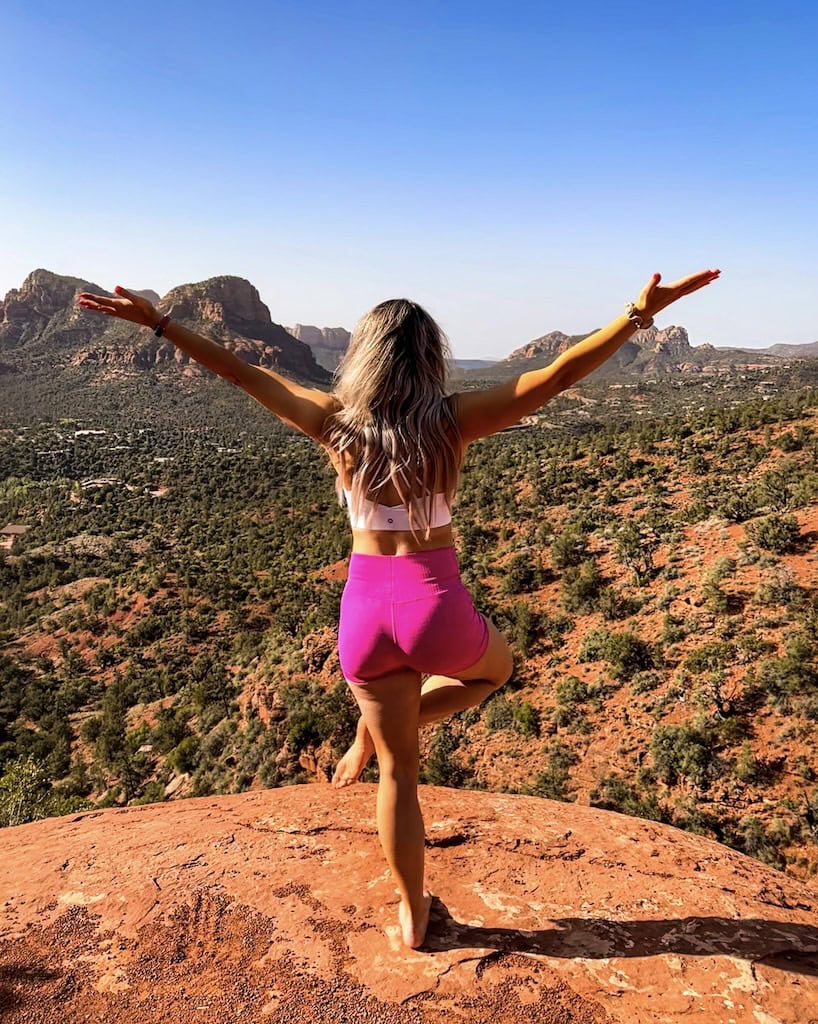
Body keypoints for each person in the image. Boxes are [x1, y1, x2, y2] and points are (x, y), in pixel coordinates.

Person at [76, 267, 720, 948]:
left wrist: (161, 324)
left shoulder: (333, 425)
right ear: (429, 359)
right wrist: (637, 314)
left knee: (397, 771)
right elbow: (557, 376)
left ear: (362, 358)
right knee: (493, 672)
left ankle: (411, 911)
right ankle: (388, 730)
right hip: (433, 601)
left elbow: (241, 375)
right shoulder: (453, 423)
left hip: (363, 613)